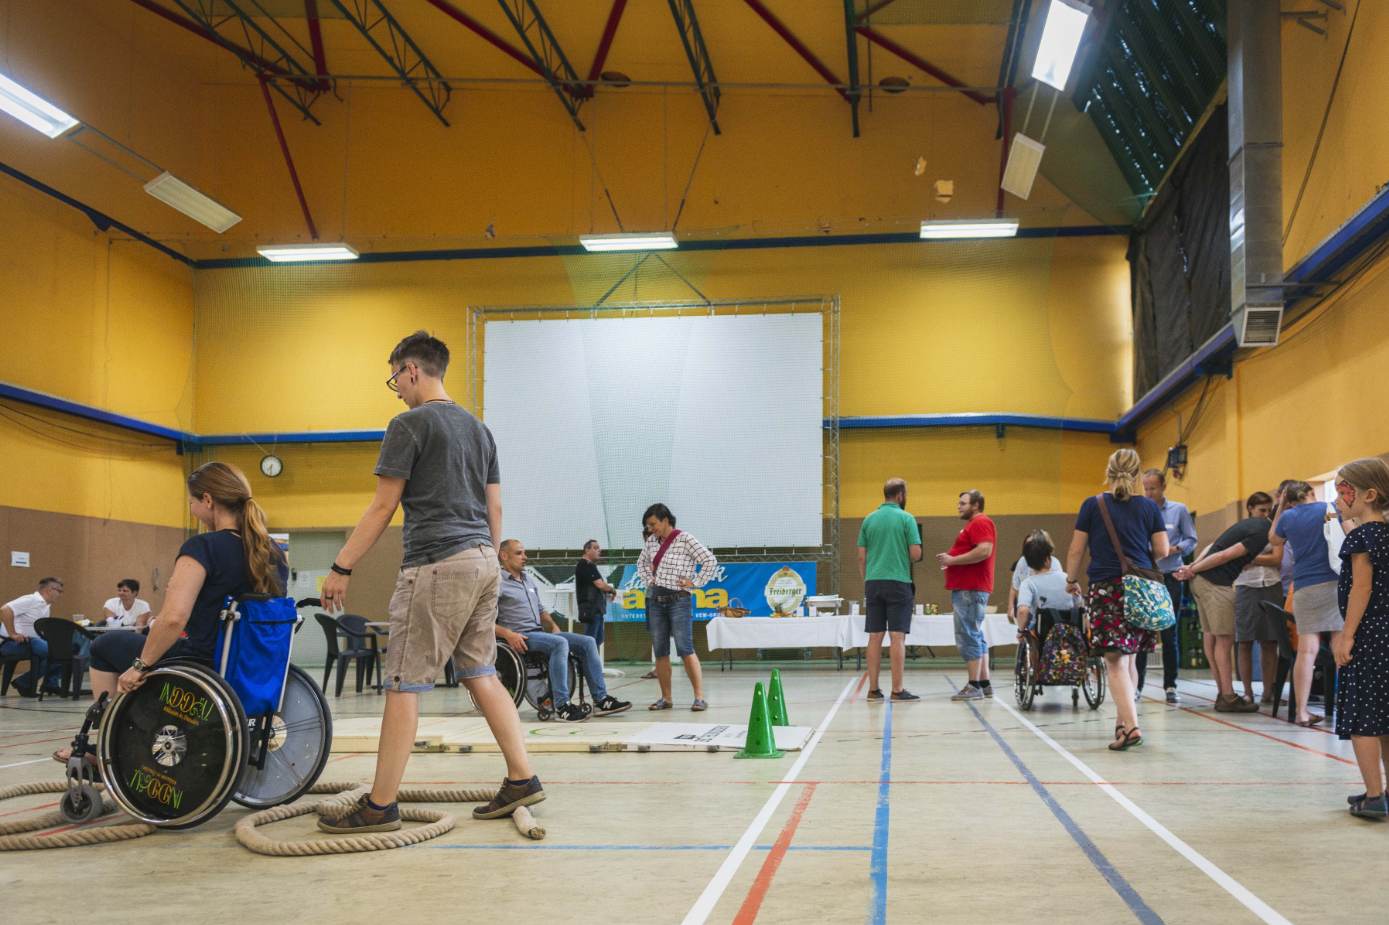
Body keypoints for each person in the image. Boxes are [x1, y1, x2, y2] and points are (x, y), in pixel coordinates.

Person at [317, 331, 542, 834]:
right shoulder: (480, 430)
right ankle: (522, 777)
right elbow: (495, 506)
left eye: (395, 376)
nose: (395, 387)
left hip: (436, 564)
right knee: (481, 671)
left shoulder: (409, 424)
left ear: (412, 370)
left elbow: (383, 505)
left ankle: (379, 806)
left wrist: (342, 565)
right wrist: (491, 558)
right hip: (485, 558)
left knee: (402, 681)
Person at [56, 462, 288, 762]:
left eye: (192, 503)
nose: (192, 510)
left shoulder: (203, 545)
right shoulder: (271, 551)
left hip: (200, 659)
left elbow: (174, 618)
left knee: (103, 645)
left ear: (207, 500)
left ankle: (108, 748)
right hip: (250, 661)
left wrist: (139, 667)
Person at [1066, 449, 1169, 751]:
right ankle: (1123, 723)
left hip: (1106, 589)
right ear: (1138, 475)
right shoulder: (1149, 507)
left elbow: (1075, 550)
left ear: (1108, 472)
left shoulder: (1092, 505)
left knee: (1114, 662)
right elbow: (1162, 550)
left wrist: (1071, 581)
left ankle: (1132, 727)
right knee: (1130, 658)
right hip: (1139, 588)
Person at [496, 540, 630, 721]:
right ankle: (562, 706)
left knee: (588, 642)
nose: (525, 557)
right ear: (504, 556)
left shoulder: (527, 579)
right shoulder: (497, 583)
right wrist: (508, 635)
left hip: (539, 633)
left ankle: (601, 700)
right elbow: (483, 619)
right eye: (519, 553)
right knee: (559, 643)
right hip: (520, 636)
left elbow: (541, 609)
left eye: (524, 553)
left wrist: (553, 626)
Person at [1174, 493, 1274, 713]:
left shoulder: (1248, 523)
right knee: (1225, 638)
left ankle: (1223, 693)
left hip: (1203, 583)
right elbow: (1224, 555)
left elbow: (1213, 546)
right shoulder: (1262, 532)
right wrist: (1193, 569)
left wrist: (1195, 567)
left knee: (1213, 637)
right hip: (1215, 584)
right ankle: (1228, 696)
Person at [1328, 458, 1389, 818]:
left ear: (1369, 494)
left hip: (1369, 634)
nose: (1337, 498)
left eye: (1342, 490)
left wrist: (1346, 637)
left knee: (1364, 715)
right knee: (1385, 715)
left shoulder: (1360, 536)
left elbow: (1361, 590)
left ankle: (1373, 794)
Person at [1271, 480, 1342, 726]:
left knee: (1306, 652)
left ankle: (1302, 712)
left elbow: (1274, 541)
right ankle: (1347, 709)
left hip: (1304, 587)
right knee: (1340, 649)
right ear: (1312, 492)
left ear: (1288, 500)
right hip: (1335, 584)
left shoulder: (1287, 517)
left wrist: (1281, 507)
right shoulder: (1330, 507)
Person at [637, 503, 714, 712]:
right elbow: (641, 563)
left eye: (653, 524)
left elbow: (709, 561)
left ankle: (699, 697)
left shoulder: (685, 539)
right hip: (656, 603)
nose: (650, 529)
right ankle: (666, 698)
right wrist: (649, 581)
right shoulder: (651, 542)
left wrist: (695, 582)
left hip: (680, 601)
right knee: (660, 651)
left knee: (685, 648)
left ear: (665, 520)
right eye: (647, 525)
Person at [857, 478, 924, 703]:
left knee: (874, 636)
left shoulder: (869, 520)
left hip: (873, 583)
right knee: (897, 636)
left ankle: (873, 690)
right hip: (898, 583)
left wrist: (867, 581)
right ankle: (897, 689)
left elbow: (861, 556)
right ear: (901, 496)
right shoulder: (907, 518)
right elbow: (916, 554)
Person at [1138, 469, 1196, 704]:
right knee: (1142, 632)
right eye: (1146, 488)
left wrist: (1173, 550)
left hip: (1170, 577)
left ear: (1163, 487)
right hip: (1146, 577)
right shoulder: (1140, 510)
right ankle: (1137, 686)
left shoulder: (1178, 510)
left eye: (1153, 488)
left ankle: (1170, 685)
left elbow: (1191, 539)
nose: (1149, 493)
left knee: (1169, 634)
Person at [941, 490, 996, 702]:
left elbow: (984, 550)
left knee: (968, 635)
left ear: (975, 505)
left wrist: (952, 560)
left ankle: (974, 686)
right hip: (969, 588)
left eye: (963, 503)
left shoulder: (980, 522)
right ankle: (984, 684)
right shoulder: (975, 524)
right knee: (975, 634)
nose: (958, 506)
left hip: (971, 588)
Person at [1231, 496, 1284, 705]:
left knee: (1270, 641)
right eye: (1262, 510)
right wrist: (1260, 558)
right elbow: (1237, 560)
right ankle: (1247, 692)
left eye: (1269, 510)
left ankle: (1268, 692)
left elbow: (1277, 559)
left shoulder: (1274, 530)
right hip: (1246, 587)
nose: (1266, 515)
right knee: (1244, 641)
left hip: (1271, 585)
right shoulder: (1240, 530)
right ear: (1250, 508)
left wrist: (1250, 558)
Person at [1, 577, 65, 695]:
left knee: (71, 648)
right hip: (12, 644)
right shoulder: (31, 600)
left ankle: (49, 683)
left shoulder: (45, 606)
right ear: (50, 590)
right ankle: (25, 682)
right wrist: (13, 634)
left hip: (32, 642)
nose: (60, 595)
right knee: (60, 651)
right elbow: (5, 609)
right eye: (59, 591)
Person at [1015, 535, 1082, 640]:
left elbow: (1023, 610)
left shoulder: (1028, 584)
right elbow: (1079, 606)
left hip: (1042, 634)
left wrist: (1021, 631)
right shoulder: (1067, 578)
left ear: (1029, 563)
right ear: (1048, 559)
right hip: (1071, 632)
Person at [1007, 530, 1063, 623]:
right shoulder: (1022, 562)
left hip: (1034, 609)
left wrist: (1023, 604)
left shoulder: (1054, 562)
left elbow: (1016, 587)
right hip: (1046, 610)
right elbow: (1015, 586)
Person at [574, 540, 616, 648]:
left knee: (598, 638)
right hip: (590, 609)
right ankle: (581, 663)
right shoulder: (584, 565)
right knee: (590, 640)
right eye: (596, 548)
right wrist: (612, 589)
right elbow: (600, 585)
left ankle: (586, 661)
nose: (599, 550)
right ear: (587, 550)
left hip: (596, 609)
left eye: (599, 548)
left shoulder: (591, 565)